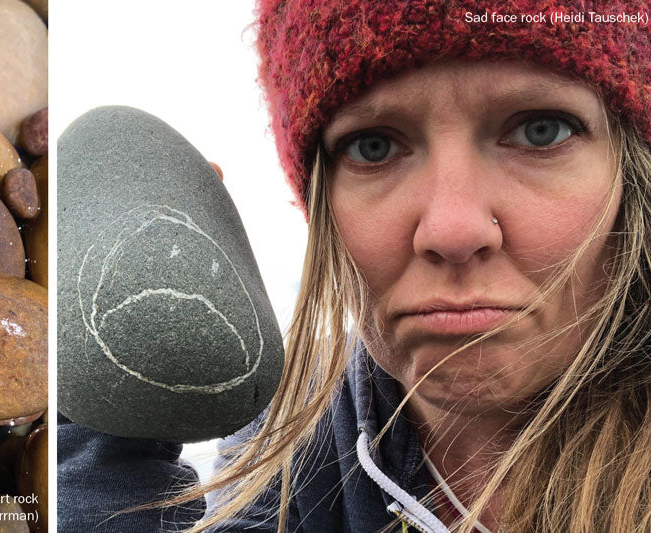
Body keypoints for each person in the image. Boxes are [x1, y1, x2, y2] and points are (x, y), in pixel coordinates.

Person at [59, 2, 651, 532]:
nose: (451, 230)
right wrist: (100, 409)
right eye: (374, 146)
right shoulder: (289, 450)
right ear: (318, 204)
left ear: (633, 178)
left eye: (539, 129)